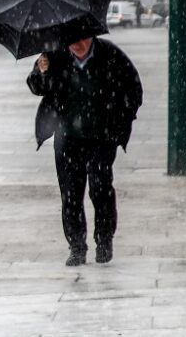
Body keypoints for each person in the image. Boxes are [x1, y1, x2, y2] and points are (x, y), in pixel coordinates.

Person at [27, 35, 142, 267]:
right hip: (67, 138)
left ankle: (104, 239)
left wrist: (119, 119)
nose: (77, 45)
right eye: (72, 40)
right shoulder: (54, 55)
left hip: (101, 137)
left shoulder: (110, 55)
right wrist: (42, 71)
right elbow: (36, 87)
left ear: (92, 35)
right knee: (70, 192)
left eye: (82, 39)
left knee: (100, 187)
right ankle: (77, 246)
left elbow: (134, 88)